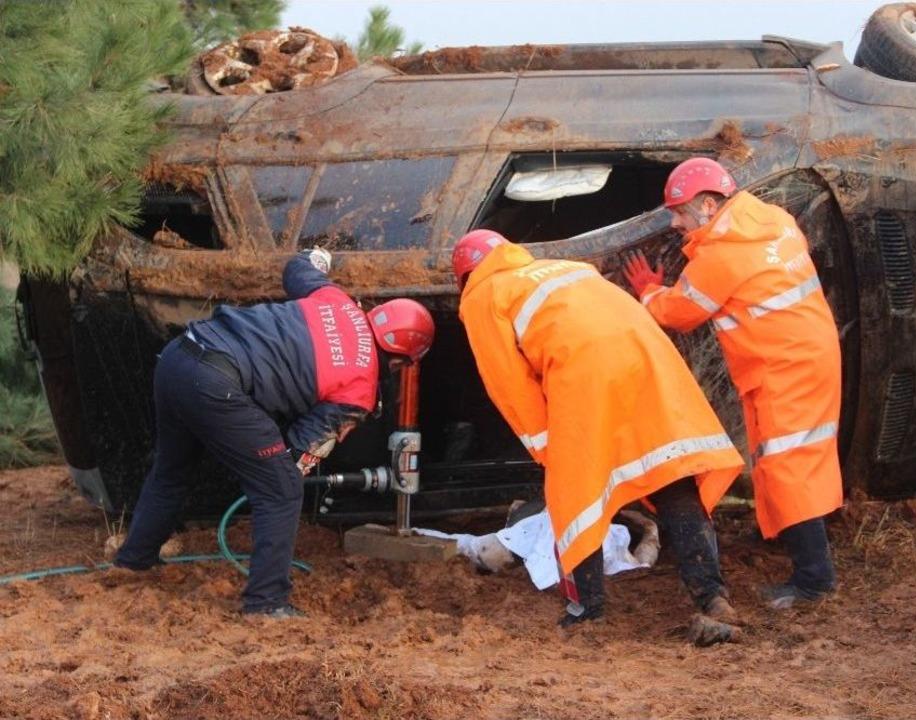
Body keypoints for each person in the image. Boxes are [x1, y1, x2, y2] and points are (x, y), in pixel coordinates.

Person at [452, 230, 746, 646]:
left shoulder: (482, 294)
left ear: (465, 278)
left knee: (574, 493)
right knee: (669, 476)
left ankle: (587, 608)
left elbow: (507, 383)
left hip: (585, 372)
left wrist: (544, 445)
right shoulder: (569, 268)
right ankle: (712, 596)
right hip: (650, 361)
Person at [115, 248, 434, 618]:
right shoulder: (359, 391)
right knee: (282, 490)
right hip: (219, 384)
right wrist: (281, 464)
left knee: (172, 469)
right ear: (399, 361)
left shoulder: (336, 300)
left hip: (178, 356)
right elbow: (301, 450)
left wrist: (320, 257)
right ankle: (266, 602)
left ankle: (134, 562)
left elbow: (298, 266)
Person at [621, 157, 843, 609]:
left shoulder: (721, 256)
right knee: (796, 459)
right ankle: (800, 550)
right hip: (806, 356)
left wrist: (648, 291)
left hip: (784, 368)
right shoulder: (772, 220)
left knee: (788, 466)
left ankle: (814, 581)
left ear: (707, 205)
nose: (675, 222)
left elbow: (678, 313)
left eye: (680, 212)